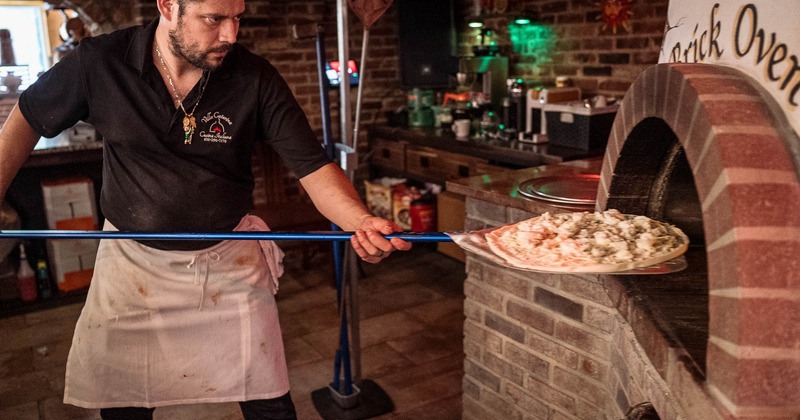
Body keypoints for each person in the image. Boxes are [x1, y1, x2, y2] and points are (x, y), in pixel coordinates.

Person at [0, 0, 411, 419]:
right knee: (125, 408)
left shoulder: (254, 77)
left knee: (270, 405)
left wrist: (359, 220)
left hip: (229, 263)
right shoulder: (100, 63)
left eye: (238, 18)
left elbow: (312, 166)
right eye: (214, 19)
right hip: (132, 269)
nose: (231, 34)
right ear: (168, 7)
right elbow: (28, 118)